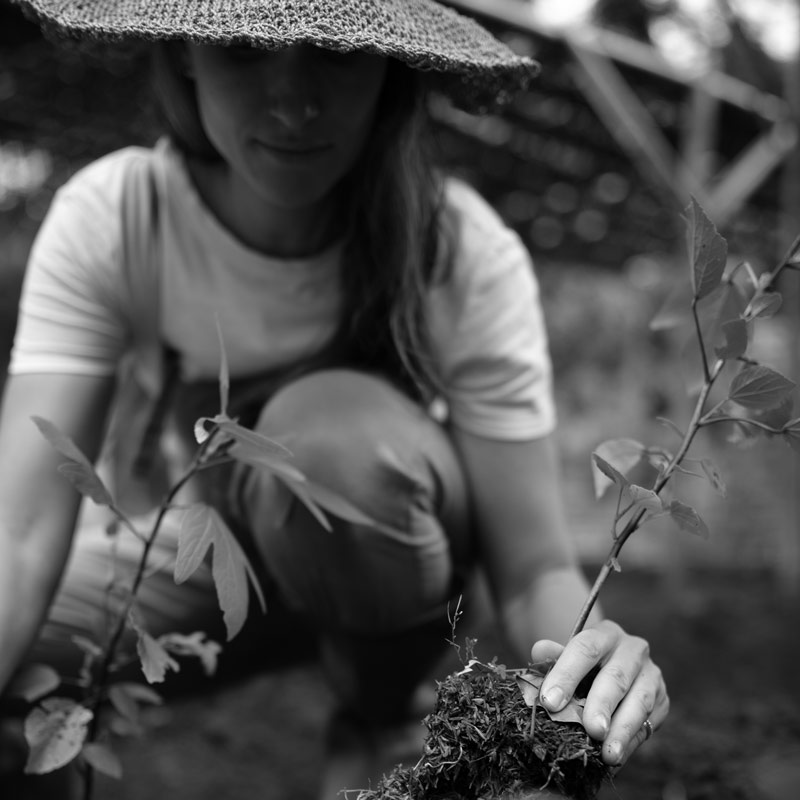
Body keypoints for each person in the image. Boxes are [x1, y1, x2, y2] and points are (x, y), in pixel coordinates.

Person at [0, 0, 669, 797]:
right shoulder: (117, 218)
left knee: (330, 447)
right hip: (199, 561)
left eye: (337, 53)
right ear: (185, 54)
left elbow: (531, 573)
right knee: (23, 670)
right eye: (245, 48)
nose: (293, 100)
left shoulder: (458, 251)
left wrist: (596, 659)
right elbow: (21, 530)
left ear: (391, 69)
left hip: (394, 584)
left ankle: (390, 715)